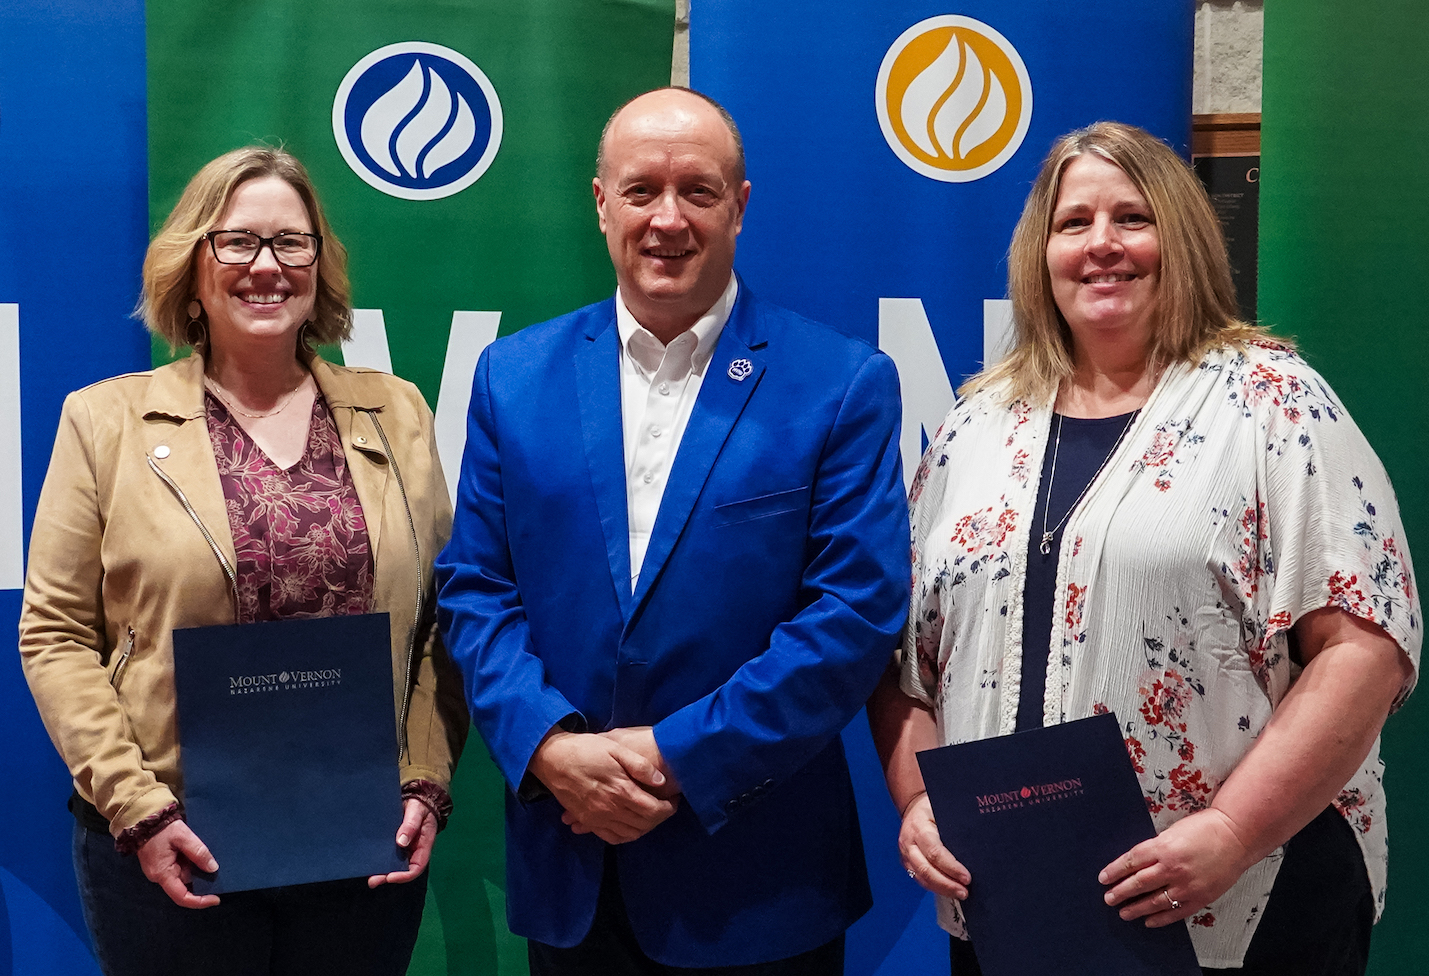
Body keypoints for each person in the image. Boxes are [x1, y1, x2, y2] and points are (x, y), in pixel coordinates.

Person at [868, 121, 1419, 976]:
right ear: (1038, 251)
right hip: (1015, 900)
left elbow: (1363, 649)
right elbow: (905, 664)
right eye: (1072, 222)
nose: (1101, 246)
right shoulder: (974, 425)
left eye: (1131, 218)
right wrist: (917, 801)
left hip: (1246, 893)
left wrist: (1231, 831)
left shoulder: (1274, 402)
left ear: (1182, 235)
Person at [435, 87, 910, 974]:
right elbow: (475, 588)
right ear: (600, 201)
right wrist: (548, 745)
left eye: (697, 190)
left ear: (739, 205)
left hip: (757, 883)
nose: (667, 219)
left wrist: (674, 756)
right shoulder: (513, 376)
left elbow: (853, 615)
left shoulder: (840, 382)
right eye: (641, 189)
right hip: (573, 865)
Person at [18, 146, 466, 976]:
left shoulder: (395, 411)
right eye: (237, 242)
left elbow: (442, 622)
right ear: (193, 265)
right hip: (175, 846)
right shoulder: (104, 421)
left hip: (359, 839)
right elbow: (54, 634)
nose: (266, 267)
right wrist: (139, 809)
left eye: (290, 243)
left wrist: (423, 779)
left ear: (319, 266)